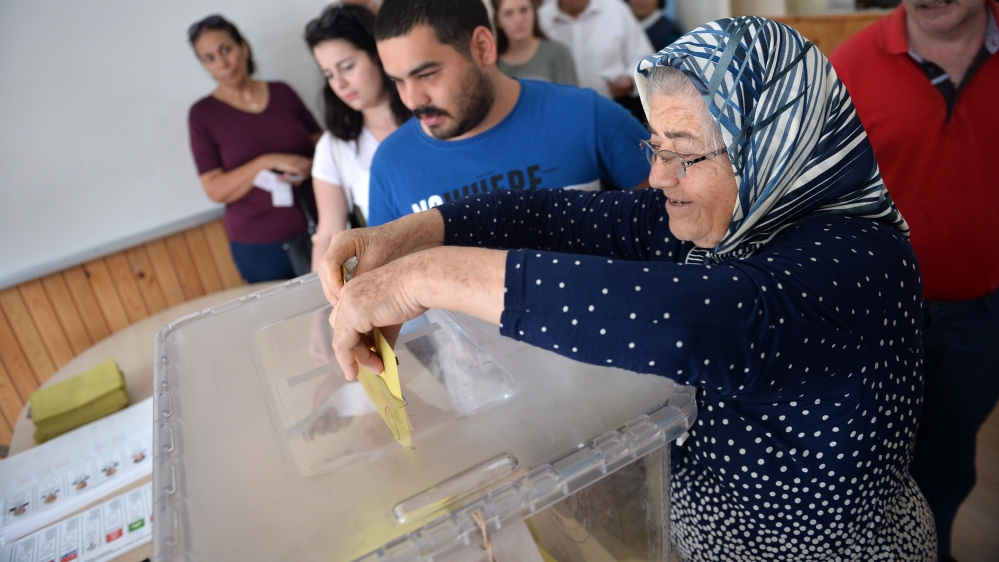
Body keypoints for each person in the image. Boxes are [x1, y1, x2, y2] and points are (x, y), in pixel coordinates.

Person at [319, 17, 937, 559]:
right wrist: (416, 234)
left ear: (772, 147)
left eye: (685, 155)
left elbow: (678, 319)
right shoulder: (727, 219)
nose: (656, 175)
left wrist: (423, 278)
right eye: (654, 146)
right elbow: (557, 218)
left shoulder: (858, 262)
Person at [830, 2, 999, 560]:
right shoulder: (850, 66)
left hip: (984, 315)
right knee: (869, 465)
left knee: (949, 460)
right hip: (876, 320)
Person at [366, 0, 651, 227]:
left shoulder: (586, 116)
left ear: (482, 48)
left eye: (427, 74)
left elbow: (673, 219)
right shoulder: (391, 164)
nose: (412, 100)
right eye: (398, 81)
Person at [187, 15, 321, 282]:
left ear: (243, 47)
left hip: (317, 228)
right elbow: (214, 188)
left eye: (226, 49)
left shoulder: (282, 92)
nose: (223, 63)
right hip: (259, 247)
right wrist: (266, 161)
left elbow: (321, 142)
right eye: (209, 58)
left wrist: (308, 164)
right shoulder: (203, 115)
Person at [304, 4, 412, 271]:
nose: (339, 83)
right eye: (329, 74)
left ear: (377, 54)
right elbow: (329, 234)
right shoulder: (334, 147)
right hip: (392, 275)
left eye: (347, 67)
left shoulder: (426, 117)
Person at [538, 0, 654, 121]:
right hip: (557, 116)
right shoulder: (541, 18)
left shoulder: (616, 10)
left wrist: (630, 80)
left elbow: (646, 61)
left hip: (611, 114)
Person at [492, 0, 579, 85]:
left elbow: (572, 97)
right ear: (498, 21)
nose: (518, 19)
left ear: (534, 13)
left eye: (524, 10)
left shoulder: (559, 53)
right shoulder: (492, 62)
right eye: (508, 13)